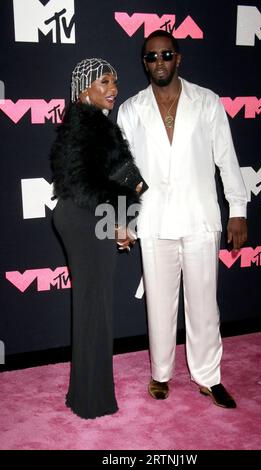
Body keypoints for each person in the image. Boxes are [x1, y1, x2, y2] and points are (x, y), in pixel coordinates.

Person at [117, 31, 248, 408]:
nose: (159, 62)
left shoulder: (207, 102)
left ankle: (208, 376)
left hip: (200, 216)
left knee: (204, 303)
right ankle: (160, 373)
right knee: (158, 303)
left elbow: (227, 157)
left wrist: (237, 209)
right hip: (154, 219)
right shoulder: (130, 109)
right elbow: (123, 172)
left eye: (166, 54)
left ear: (179, 58)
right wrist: (123, 221)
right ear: (144, 63)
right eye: (151, 57)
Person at [50, 58, 147, 419]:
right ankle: (91, 400)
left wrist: (122, 222)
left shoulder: (93, 123)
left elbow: (125, 180)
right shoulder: (85, 123)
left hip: (90, 217)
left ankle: (86, 393)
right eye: (104, 82)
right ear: (84, 87)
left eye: (115, 82)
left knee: (95, 306)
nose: (113, 89)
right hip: (83, 218)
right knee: (95, 307)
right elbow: (84, 185)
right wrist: (120, 223)